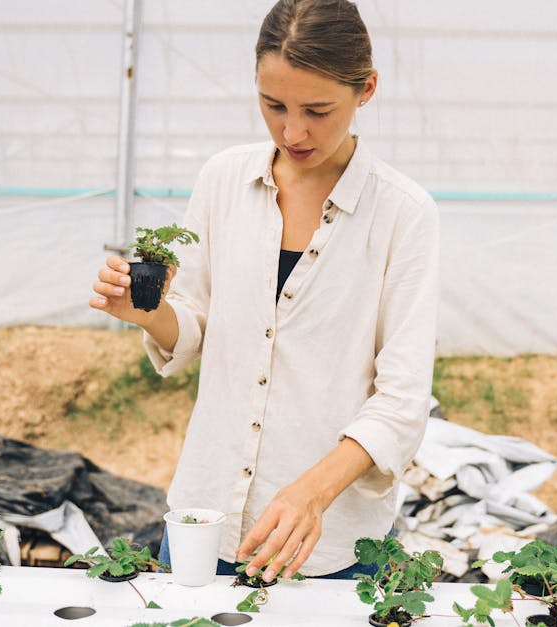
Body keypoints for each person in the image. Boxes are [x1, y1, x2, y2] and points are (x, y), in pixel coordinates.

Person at [89, 0, 438, 581]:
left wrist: (311, 494)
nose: (291, 130)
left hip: (330, 547)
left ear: (366, 89)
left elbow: (401, 400)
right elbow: (195, 321)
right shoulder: (224, 179)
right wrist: (147, 314)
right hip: (205, 520)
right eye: (272, 104)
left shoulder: (403, 213)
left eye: (317, 110)